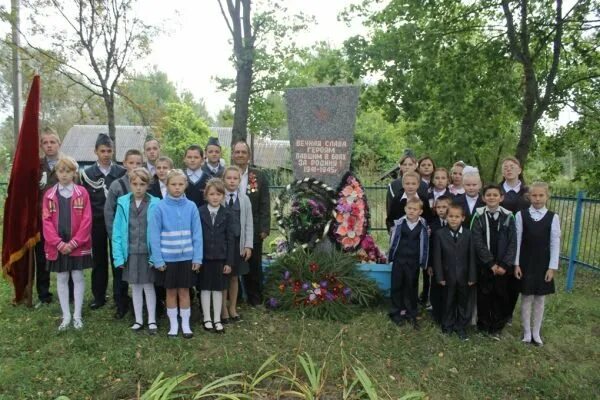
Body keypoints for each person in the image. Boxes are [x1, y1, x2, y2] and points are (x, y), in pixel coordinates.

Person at [149, 169, 202, 339]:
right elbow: (154, 235)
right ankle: (173, 324)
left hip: (187, 258)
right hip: (167, 259)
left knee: (185, 291)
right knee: (170, 292)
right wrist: (158, 259)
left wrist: (197, 257)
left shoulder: (192, 206)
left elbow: (197, 234)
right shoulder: (160, 207)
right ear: (167, 184)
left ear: (185, 185)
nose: (177, 188)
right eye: (173, 184)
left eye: (181, 184)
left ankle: (185, 324)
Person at [42, 157, 92, 330]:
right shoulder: (49, 195)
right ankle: (66, 316)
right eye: (61, 171)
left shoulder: (82, 193)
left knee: (77, 276)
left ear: (74, 173)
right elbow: (46, 222)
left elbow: (87, 220)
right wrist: (58, 243)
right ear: (56, 173)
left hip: (77, 244)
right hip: (58, 246)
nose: (64, 175)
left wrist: (75, 242)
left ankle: (77, 315)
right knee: (62, 277)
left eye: (68, 171)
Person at [80, 133, 126, 310]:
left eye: (109, 151)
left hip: (117, 222)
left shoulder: (121, 172)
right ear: (95, 152)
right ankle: (99, 296)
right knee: (98, 260)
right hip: (97, 222)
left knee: (118, 259)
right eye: (102, 151)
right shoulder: (87, 174)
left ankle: (120, 296)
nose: (106, 154)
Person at [112, 168, 160, 334]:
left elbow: (160, 231)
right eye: (135, 184)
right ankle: (139, 320)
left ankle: (152, 320)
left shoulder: (155, 203)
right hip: (130, 253)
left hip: (148, 253)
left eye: (142, 184)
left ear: (148, 185)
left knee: (148, 286)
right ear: (130, 184)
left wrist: (158, 255)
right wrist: (118, 257)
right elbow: (117, 231)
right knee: (136, 287)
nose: (138, 187)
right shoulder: (123, 203)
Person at [514, 182, 561, 346]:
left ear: (547, 196)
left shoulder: (552, 217)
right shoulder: (521, 215)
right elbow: (517, 240)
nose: (538, 198)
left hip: (543, 263)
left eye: (541, 195)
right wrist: (516, 264)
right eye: (534, 195)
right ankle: (527, 333)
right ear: (529, 197)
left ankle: (536, 332)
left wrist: (552, 267)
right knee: (526, 297)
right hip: (526, 262)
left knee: (540, 298)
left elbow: (555, 242)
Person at [471, 184, 517, 339]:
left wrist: (504, 264)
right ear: (483, 198)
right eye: (488, 195)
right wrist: (490, 263)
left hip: (503, 266)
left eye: (495, 195)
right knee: (484, 294)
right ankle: (483, 325)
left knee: (500, 295)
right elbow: (477, 241)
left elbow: (513, 242)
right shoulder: (478, 216)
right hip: (485, 265)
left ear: (501, 198)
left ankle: (497, 327)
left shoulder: (509, 216)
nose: (491, 197)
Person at [103, 149, 143, 318]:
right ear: (124, 164)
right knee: (120, 271)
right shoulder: (117, 185)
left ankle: (139, 305)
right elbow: (108, 212)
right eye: (131, 163)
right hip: (120, 238)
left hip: (139, 239)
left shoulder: (145, 183)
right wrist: (114, 237)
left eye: (138, 163)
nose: (134, 166)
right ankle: (121, 304)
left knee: (138, 271)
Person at [232, 140, 270, 307]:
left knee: (253, 265)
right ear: (233, 155)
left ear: (249, 156)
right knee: (232, 263)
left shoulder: (259, 176)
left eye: (243, 152)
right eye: (237, 152)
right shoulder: (226, 175)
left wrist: (264, 227)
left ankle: (255, 298)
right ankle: (236, 298)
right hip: (231, 227)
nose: (240, 155)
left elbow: (264, 203)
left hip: (253, 228)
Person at [432, 203, 477, 340]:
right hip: (447, 276)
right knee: (448, 301)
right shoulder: (439, 234)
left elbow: (471, 256)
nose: (453, 219)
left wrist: (472, 276)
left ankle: (461, 326)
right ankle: (447, 324)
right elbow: (437, 257)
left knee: (463, 302)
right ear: (446, 217)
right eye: (451, 216)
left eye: (457, 216)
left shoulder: (468, 234)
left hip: (464, 276)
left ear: (463, 218)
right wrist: (439, 276)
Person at [198, 179, 235, 333]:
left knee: (218, 289)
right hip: (204, 258)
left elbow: (231, 238)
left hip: (220, 258)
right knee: (205, 288)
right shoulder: (199, 212)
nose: (215, 197)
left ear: (223, 196)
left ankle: (217, 319)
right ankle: (207, 318)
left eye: (218, 194)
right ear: (206, 195)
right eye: (212, 194)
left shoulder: (227, 214)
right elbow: (196, 236)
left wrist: (229, 261)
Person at [388, 197, 429, 329]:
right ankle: (396, 312)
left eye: (415, 209)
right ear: (405, 209)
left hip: (413, 261)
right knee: (397, 285)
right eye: (409, 208)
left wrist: (423, 261)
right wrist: (391, 256)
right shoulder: (399, 223)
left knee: (411, 286)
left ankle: (411, 312)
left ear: (420, 211)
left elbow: (425, 245)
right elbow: (393, 241)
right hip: (399, 260)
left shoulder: (423, 226)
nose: (411, 211)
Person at [499, 156, 530, 325]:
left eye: (512, 166)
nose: (508, 169)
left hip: (522, 241)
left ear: (519, 170)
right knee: (499, 277)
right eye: (505, 167)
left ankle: (508, 313)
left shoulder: (527, 193)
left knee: (514, 279)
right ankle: (496, 309)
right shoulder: (496, 191)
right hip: (500, 240)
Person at [221, 166, 253, 323]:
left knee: (234, 278)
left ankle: (232, 307)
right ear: (223, 180)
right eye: (229, 178)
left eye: (235, 178)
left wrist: (248, 245)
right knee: (223, 277)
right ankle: (223, 309)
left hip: (238, 243)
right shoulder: (218, 198)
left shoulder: (244, 199)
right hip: (223, 245)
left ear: (240, 181)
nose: (232, 181)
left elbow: (248, 224)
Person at [35, 127, 61, 306]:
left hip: (64, 218)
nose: (49, 145)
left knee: (66, 256)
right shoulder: (36, 166)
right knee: (42, 257)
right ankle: (44, 295)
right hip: (42, 220)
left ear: (59, 143)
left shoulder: (68, 164)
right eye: (45, 142)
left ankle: (70, 292)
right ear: (41, 145)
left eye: (52, 142)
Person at [426, 195, 452, 322]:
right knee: (435, 287)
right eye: (438, 207)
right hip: (436, 262)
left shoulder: (454, 223)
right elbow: (430, 246)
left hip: (450, 263)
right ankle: (436, 312)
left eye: (444, 207)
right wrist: (430, 264)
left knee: (449, 287)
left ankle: (448, 311)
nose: (441, 210)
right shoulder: (432, 225)